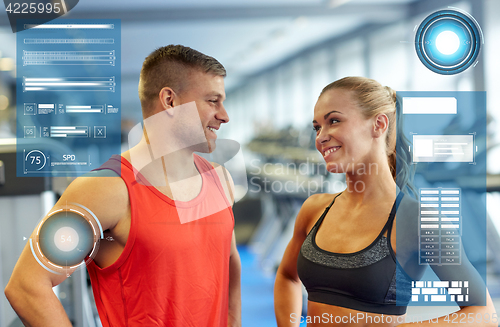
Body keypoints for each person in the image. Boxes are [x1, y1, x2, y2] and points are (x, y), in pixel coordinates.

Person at [5, 45, 242, 327]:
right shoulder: (106, 189)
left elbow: (229, 268)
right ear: (170, 101)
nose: (224, 115)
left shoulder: (219, 180)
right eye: (212, 101)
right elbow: (27, 285)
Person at [274, 76, 497, 326]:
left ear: (379, 124)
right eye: (317, 127)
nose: (320, 137)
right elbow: (286, 276)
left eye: (333, 121)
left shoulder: (417, 221)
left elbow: (482, 313)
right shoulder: (315, 208)